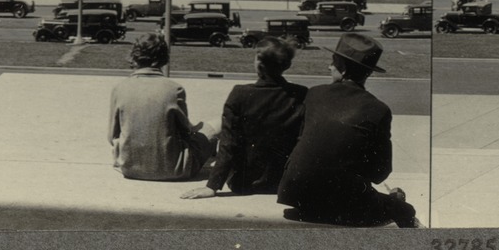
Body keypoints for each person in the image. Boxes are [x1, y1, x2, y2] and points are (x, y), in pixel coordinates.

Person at [278, 33, 419, 228]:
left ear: (342, 70)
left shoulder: (314, 94)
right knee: (406, 209)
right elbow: (381, 173)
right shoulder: (378, 109)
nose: (329, 67)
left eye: (333, 63)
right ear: (368, 73)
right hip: (344, 203)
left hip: (298, 197)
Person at [181, 38, 308, 199]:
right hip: (282, 181)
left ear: (258, 64)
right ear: (287, 65)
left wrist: (212, 185)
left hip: (243, 183)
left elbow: (228, 143)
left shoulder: (240, 94)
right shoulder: (301, 94)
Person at [109, 35, 217, 181]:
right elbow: (186, 132)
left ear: (135, 57)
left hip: (130, 169)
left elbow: (112, 136)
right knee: (217, 125)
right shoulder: (174, 89)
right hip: (174, 169)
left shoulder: (119, 88)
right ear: (163, 58)